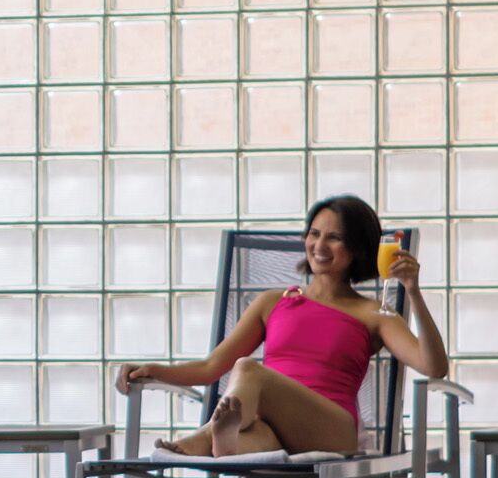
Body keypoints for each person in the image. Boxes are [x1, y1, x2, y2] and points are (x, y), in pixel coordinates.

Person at [117, 196, 451, 459]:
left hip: (332, 430)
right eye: (314, 234)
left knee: (248, 369)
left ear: (357, 248)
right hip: (275, 429)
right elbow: (210, 367)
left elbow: (434, 366)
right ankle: (225, 444)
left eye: (334, 238)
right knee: (255, 436)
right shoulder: (272, 302)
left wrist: (413, 291)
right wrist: (153, 370)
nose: (319, 246)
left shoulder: (374, 313)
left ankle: (196, 442)